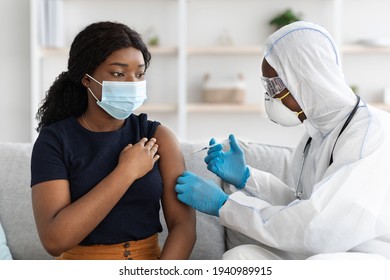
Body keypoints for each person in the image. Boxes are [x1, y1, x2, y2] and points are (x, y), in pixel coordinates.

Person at [175, 21, 390, 260]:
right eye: (267, 85)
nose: (271, 96)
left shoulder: (372, 133)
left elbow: (318, 226)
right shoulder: (316, 133)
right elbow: (300, 207)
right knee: (241, 258)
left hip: (368, 259)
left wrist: (226, 206)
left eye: (275, 85)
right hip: (327, 251)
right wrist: (247, 177)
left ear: (307, 79)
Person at [31, 21, 196, 260]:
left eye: (139, 74)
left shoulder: (158, 138)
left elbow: (184, 227)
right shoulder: (54, 141)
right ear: (86, 79)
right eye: (118, 74)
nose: (132, 83)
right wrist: (126, 172)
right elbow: (55, 240)